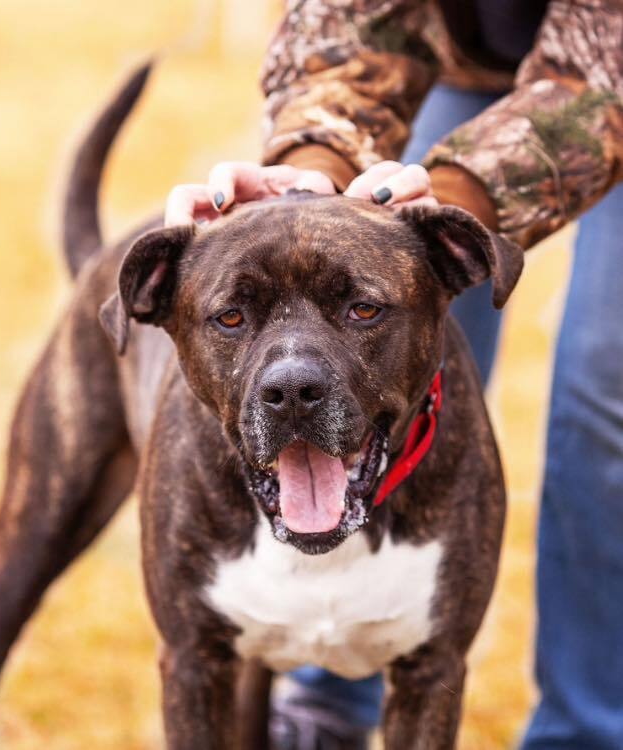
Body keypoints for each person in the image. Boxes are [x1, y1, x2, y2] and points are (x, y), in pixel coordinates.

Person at [165, 2, 623, 747]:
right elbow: (346, 24)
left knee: (608, 385)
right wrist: (307, 180)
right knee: (378, 291)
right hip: (462, 56)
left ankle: (587, 728)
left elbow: (604, 77)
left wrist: (440, 205)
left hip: (607, 71)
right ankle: (328, 702)